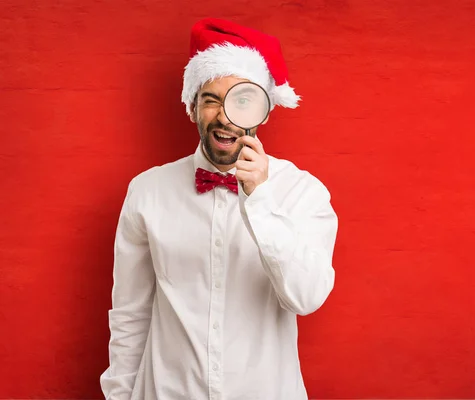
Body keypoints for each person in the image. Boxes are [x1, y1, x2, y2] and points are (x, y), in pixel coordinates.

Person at [100, 18, 338, 400]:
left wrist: (259, 199)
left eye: (242, 100)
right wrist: (119, 396)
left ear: (263, 111)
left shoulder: (301, 192)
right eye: (211, 100)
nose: (225, 116)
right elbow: (130, 314)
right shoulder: (147, 191)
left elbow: (306, 297)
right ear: (192, 108)